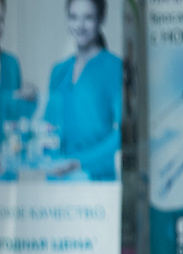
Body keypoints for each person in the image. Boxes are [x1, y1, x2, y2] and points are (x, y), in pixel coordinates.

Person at [43, 0, 122, 182]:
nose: (80, 25)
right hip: (58, 178)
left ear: (101, 18)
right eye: (74, 17)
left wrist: (79, 162)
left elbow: (122, 134)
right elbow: (48, 128)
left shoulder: (115, 68)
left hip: (96, 180)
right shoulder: (59, 71)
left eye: (88, 18)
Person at [0, 0, 40, 176]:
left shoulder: (11, 64)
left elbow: (18, 119)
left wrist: (29, 96)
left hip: (8, 161)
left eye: (0, 20)